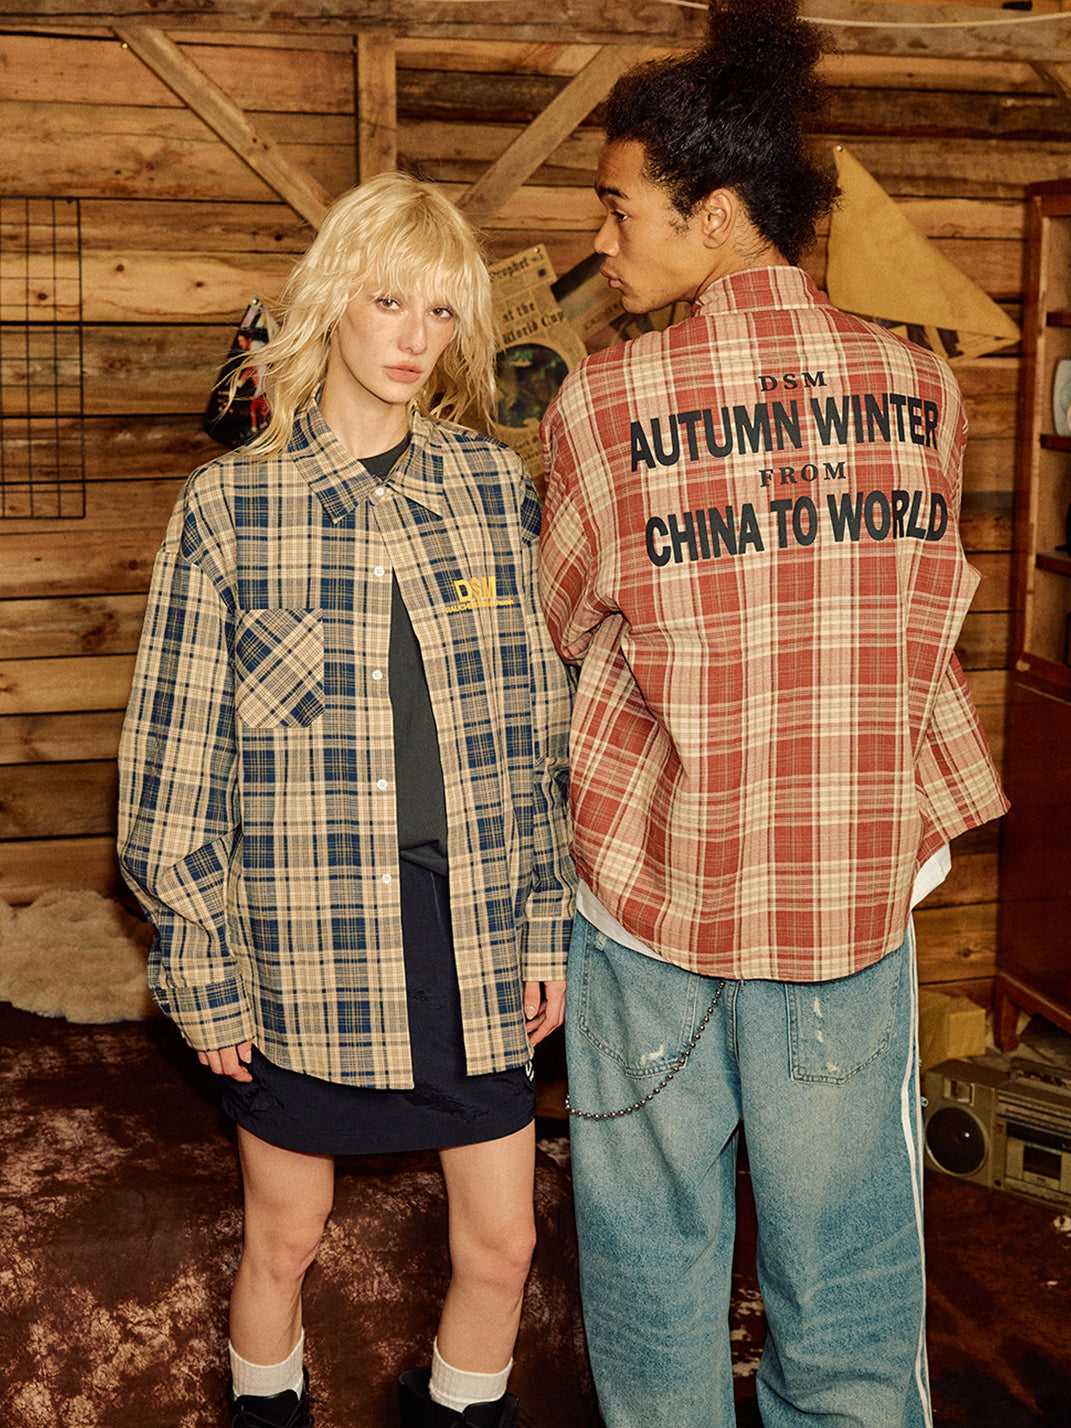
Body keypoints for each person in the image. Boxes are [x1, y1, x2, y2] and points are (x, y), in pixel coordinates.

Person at [538, 3, 1008, 1425]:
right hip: (841, 904)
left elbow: (562, 631)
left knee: (650, 1254)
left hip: (652, 904)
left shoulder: (602, 403)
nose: (599, 243)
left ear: (719, 212)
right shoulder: (923, 389)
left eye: (618, 210)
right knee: (849, 1266)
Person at [117, 171, 575, 1428]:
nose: (416, 338)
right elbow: (171, 769)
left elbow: (535, 734)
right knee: (288, 1235)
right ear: (332, 302)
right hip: (303, 943)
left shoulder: (491, 490)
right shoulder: (229, 509)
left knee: (504, 1245)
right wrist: (201, 965)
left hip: (470, 927)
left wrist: (546, 926)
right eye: (390, 302)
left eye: (442, 311)